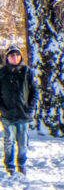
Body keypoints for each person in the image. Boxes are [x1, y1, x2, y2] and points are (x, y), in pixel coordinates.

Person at [0, 47, 34, 175]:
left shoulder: (27, 72)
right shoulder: (2, 73)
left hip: (23, 114)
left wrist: (30, 108)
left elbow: (34, 91)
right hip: (7, 115)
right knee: (9, 140)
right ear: (7, 58)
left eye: (17, 55)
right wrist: (3, 109)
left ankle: (21, 163)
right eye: (11, 55)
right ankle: (9, 165)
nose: (14, 57)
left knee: (22, 142)